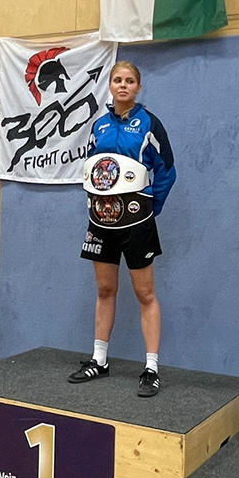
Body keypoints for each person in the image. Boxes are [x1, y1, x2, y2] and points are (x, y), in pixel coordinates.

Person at [69, 62, 176, 397]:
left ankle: (151, 368)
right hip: (101, 221)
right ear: (110, 85)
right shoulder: (99, 125)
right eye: (118, 80)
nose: (123, 85)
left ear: (138, 87)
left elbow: (167, 170)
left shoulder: (149, 124)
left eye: (130, 81)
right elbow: (92, 169)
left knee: (145, 294)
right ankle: (99, 360)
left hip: (136, 221)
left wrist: (150, 208)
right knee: (104, 290)